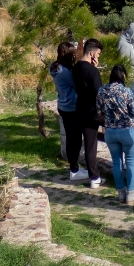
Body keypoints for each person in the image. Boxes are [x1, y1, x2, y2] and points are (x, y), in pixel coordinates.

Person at [98, 63, 134, 204]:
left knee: (116, 162)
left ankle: (121, 192)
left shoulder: (102, 91)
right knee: (130, 162)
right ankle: (131, 193)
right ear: (123, 75)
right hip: (127, 130)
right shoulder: (126, 91)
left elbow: (99, 110)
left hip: (110, 130)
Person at [71, 38, 105, 189]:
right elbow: (99, 92)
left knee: (85, 142)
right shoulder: (92, 71)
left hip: (80, 108)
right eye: (98, 54)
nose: (98, 57)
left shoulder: (76, 67)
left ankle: (89, 173)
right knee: (91, 145)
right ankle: (94, 177)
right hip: (92, 110)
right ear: (91, 53)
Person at [51, 40, 84, 181]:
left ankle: (74, 167)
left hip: (63, 105)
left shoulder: (54, 67)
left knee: (72, 138)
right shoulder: (65, 72)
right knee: (75, 140)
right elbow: (78, 83)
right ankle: (74, 169)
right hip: (71, 107)